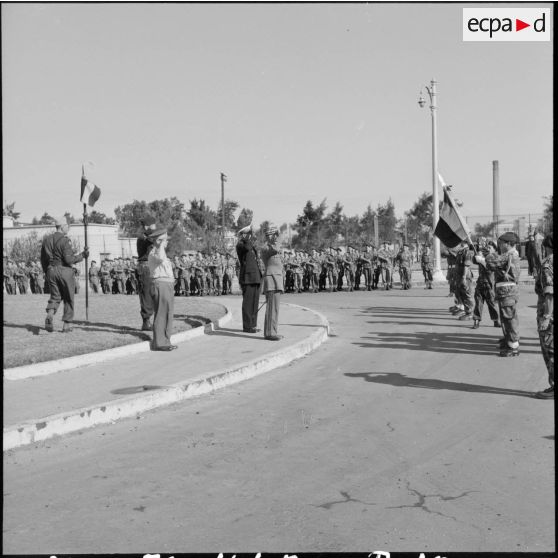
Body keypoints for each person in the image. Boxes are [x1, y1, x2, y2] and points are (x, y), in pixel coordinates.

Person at [40, 216, 89, 332]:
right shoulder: (64, 240)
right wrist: (83, 255)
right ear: (62, 227)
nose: (69, 228)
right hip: (64, 271)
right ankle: (66, 325)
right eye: (67, 226)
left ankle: (50, 314)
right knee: (68, 297)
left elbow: (43, 259)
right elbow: (69, 260)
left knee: (55, 296)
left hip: (51, 270)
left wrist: (46, 271)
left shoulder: (46, 240)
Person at [478, 231, 521, 357]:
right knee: (505, 318)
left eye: (501, 243)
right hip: (505, 292)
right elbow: (494, 266)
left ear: (508, 244)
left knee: (509, 318)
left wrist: (484, 257)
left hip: (508, 292)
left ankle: (513, 345)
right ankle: (508, 340)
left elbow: (492, 261)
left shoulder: (509, 255)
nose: (500, 246)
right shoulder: (508, 255)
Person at [147, 227, 177, 351]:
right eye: (165, 240)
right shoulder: (155, 252)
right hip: (161, 284)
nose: (167, 242)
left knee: (168, 314)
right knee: (161, 314)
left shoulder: (162, 252)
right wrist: (159, 244)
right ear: (159, 241)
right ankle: (159, 343)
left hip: (167, 285)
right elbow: (159, 258)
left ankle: (166, 340)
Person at [533, 235, 553, 399]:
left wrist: (546, 316)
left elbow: (549, 292)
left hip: (550, 314)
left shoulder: (548, 263)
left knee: (550, 350)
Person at [236, 223, 263, 333]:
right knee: (248, 303)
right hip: (247, 278)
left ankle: (253, 325)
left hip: (255, 277)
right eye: (248, 234)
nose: (250, 236)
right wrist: (247, 235)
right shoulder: (241, 245)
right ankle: (247, 326)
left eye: (250, 234)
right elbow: (247, 247)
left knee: (254, 303)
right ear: (243, 235)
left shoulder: (251, 246)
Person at [261, 224, 284, 341]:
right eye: (272, 235)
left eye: (275, 235)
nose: (274, 237)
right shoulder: (266, 247)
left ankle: (272, 331)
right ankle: (270, 333)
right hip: (271, 280)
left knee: (275, 308)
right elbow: (275, 248)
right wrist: (280, 236)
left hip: (276, 280)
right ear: (267, 236)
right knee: (271, 309)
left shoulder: (273, 247)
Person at [471, 240, 500, 329]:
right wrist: (476, 252)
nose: (488, 249)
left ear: (494, 249)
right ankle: (476, 321)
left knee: (491, 303)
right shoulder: (484, 256)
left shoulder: (495, 257)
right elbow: (474, 260)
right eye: (487, 247)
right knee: (478, 303)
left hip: (490, 284)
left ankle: (495, 320)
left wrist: (482, 259)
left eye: (490, 248)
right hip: (480, 283)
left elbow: (490, 264)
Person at [137, 215, 156, 330]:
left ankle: (148, 321)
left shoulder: (146, 236)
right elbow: (150, 237)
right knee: (146, 295)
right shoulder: (144, 237)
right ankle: (146, 322)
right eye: (153, 225)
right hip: (145, 268)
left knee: (151, 294)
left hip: (149, 267)